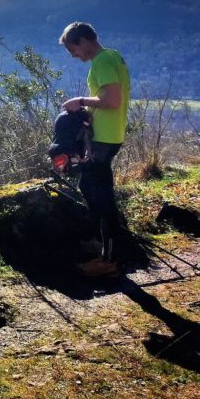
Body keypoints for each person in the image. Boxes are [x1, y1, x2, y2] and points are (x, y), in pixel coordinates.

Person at [59, 21, 131, 277]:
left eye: (72, 49)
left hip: (104, 140)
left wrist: (79, 102)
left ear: (83, 41)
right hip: (110, 135)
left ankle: (109, 260)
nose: (73, 55)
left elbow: (111, 100)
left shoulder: (101, 62)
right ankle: (105, 243)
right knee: (88, 187)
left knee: (101, 198)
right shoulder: (113, 56)